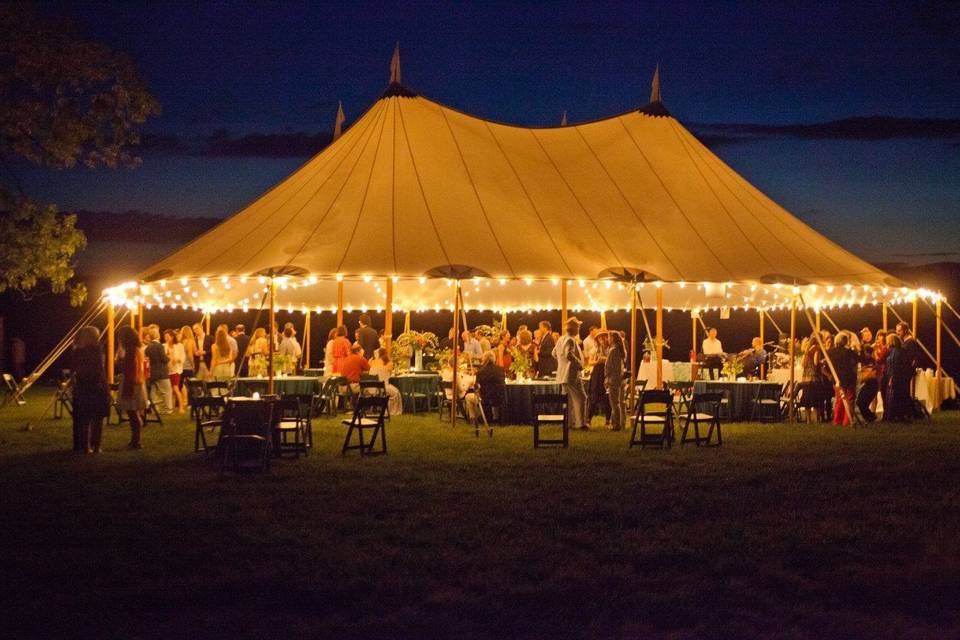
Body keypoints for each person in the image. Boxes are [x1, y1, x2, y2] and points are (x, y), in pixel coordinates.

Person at [71, 326, 110, 453]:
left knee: (84, 418)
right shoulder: (96, 350)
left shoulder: (76, 351)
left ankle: (85, 446)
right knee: (97, 418)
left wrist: (74, 385)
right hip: (95, 385)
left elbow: (74, 371)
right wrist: (106, 386)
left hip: (82, 386)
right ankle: (96, 446)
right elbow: (100, 370)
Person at [553, 316, 587, 430]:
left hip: (563, 375)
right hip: (571, 374)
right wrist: (579, 364)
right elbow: (569, 354)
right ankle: (580, 423)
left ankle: (569, 423)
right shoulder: (570, 340)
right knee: (581, 398)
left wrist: (561, 362)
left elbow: (554, 353)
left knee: (568, 400)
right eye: (578, 327)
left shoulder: (561, 339)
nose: (579, 329)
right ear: (575, 328)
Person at [117, 325, 147, 449]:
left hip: (132, 383)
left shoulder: (131, 350)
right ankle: (135, 440)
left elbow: (130, 368)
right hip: (136, 382)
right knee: (133, 413)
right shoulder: (136, 349)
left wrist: (120, 360)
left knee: (132, 413)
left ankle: (136, 441)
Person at [827, 332, 859, 426]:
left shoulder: (830, 352)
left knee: (839, 399)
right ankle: (847, 420)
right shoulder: (849, 352)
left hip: (836, 378)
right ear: (845, 341)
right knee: (849, 398)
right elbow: (857, 359)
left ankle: (837, 420)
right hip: (848, 378)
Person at [441, 355, 479, 423]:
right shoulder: (456, 374)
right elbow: (461, 389)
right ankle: (472, 416)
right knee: (470, 391)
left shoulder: (445, 372)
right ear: (457, 363)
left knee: (468, 388)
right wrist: (468, 385)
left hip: (447, 394)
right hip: (456, 395)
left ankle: (471, 416)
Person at [144, 327, 172, 414]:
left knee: (154, 391)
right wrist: (168, 357)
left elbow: (147, 357)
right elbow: (164, 359)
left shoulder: (148, 347)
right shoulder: (160, 346)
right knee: (167, 391)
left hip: (153, 371)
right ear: (158, 335)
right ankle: (168, 409)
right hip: (162, 372)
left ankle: (154, 409)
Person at [798, 335, 826, 422]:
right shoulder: (817, 348)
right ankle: (817, 419)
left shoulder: (807, 350)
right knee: (816, 400)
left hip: (805, 378)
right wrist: (823, 362)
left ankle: (808, 420)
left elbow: (802, 364)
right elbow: (816, 362)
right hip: (815, 378)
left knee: (807, 400)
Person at [885, 333, 912, 422]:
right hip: (900, 377)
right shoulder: (900, 350)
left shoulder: (895, 352)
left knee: (894, 396)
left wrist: (891, 378)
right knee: (898, 396)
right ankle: (899, 415)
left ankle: (893, 416)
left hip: (896, 377)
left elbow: (894, 365)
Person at [367, 347, 403, 415]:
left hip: (371, 388)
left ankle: (379, 408)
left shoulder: (372, 362)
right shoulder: (389, 363)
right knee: (396, 392)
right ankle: (390, 410)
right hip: (383, 387)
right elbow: (389, 375)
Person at [586, 330, 610, 427]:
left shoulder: (610, 349)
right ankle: (588, 419)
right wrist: (597, 361)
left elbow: (612, 360)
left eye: (603, 338)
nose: (602, 340)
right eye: (599, 338)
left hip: (606, 372)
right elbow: (590, 362)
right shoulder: (595, 349)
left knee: (607, 396)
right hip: (597, 373)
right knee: (593, 395)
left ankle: (608, 420)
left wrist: (605, 360)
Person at [475, 350, 506, 421]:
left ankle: (475, 417)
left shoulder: (480, 372)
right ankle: (499, 417)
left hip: (486, 397)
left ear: (484, 359)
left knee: (471, 396)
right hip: (500, 396)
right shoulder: (500, 370)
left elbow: (476, 385)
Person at [856, 327, 879, 421]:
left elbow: (871, 371)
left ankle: (870, 417)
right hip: (870, 384)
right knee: (860, 402)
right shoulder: (868, 359)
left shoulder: (869, 359)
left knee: (861, 402)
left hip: (871, 384)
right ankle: (871, 417)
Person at [605, 331, 626, 431]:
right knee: (620, 402)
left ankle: (616, 424)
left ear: (612, 338)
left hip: (614, 378)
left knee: (614, 403)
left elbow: (608, 365)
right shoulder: (620, 350)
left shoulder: (613, 350)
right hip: (620, 378)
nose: (608, 339)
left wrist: (606, 377)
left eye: (609, 337)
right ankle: (620, 423)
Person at [163, 329, 186, 414]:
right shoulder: (163, 346)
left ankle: (181, 406)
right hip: (167, 370)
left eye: (167, 337)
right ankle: (171, 406)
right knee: (170, 389)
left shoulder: (179, 346)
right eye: (165, 337)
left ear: (172, 337)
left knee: (175, 388)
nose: (166, 338)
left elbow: (183, 357)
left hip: (176, 370)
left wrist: (178, 360)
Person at [179, 325, 196, 396]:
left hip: (180, 366)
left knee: (180, 384)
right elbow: (190, 354)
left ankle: (179, 400)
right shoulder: (191, 341)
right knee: (190, 384)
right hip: (187, 365)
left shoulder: (180, 342)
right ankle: (190, 400)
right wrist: (193, 365)